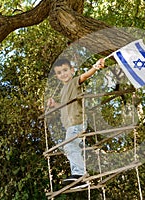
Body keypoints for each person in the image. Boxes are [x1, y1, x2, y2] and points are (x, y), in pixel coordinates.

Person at [47, 57, 105, 185]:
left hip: (77, 122)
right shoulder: (63, 90)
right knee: (70, 146)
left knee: (69, 145)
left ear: (72, 70)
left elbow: (83, 77)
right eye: (59, 72)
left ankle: (80, 174)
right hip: (70, 125)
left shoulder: (74, 82)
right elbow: (64, 105)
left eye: (65, 70)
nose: (63, 74)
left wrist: (95, 68)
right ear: (57, 76)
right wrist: (54, 104)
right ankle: (79, 175)